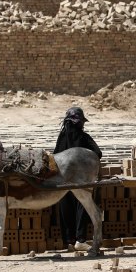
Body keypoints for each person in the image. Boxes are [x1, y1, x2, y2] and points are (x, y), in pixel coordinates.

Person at [53, 107, 102, 252]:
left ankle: (68, 241)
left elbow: (55, 157)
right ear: (79, 122)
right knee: (83, 206)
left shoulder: (61, 137)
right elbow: (98, 153)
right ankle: (80, 240)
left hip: (62, 181)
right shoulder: (83, 136)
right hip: (80, 180)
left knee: (65, 207)